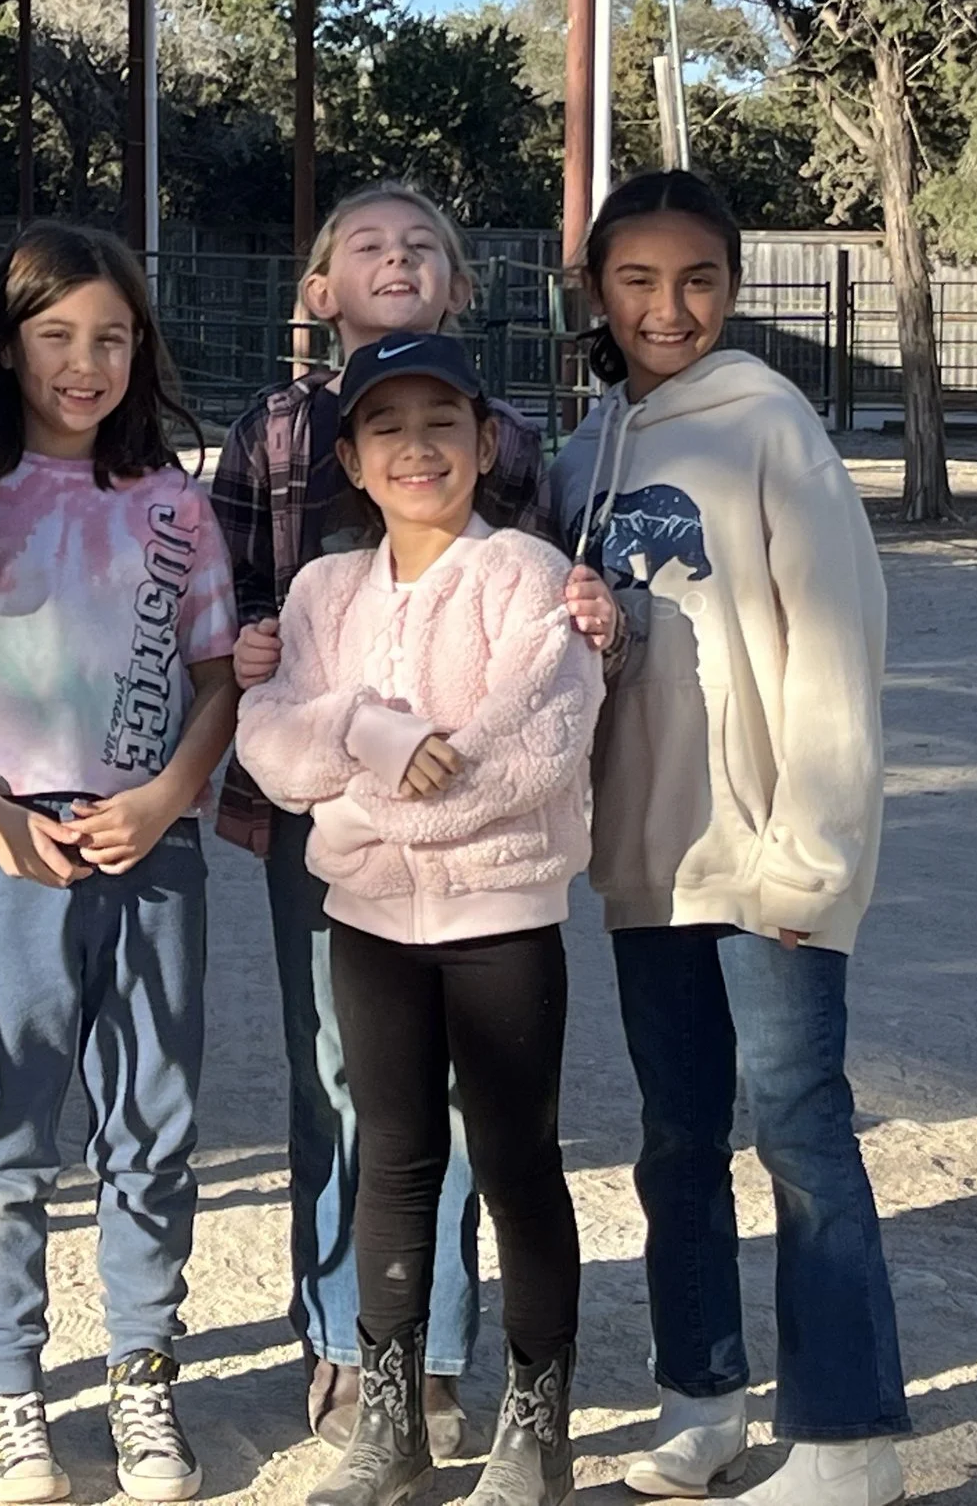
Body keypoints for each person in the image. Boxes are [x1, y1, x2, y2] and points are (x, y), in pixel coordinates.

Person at [211, 182, 620, 1454]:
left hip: (464, 861)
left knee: (476, 1121)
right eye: (364, 246)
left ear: (458, 286)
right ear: (317, 291)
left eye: (424, 246)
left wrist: (604, 619)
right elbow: (241, 642)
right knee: (342, 1085)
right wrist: (265, 669)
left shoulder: (512, 469)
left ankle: (440, 1359)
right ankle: (343, 1347)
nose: (396, 259)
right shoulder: (273, 436)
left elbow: (548, 647)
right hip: (334, 845)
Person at [551, 171, 909, 1506]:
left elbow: (836, 636)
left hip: (767, 858)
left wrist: (812, 848)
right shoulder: (588, 452)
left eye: (697, 278)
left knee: (803, 1129)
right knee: (674, 1138)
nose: (668, 306)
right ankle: (700, 1395)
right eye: (637, 281)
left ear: (734, 286)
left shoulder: (771, 425)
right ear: (598, 290)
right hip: (651, 860)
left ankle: (847, 1437)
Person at [0, 223, 240, 1506]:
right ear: (5, 345)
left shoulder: (176, 508)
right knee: (6, 1137)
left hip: (152, 858)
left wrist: (163, 800)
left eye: (109, 337)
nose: (83, 363)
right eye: (55, 336)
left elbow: (215, 686)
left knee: (151, 1132)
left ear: (138, 350)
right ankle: (9, 1398)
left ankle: (142, 1380)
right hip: (13, 859)